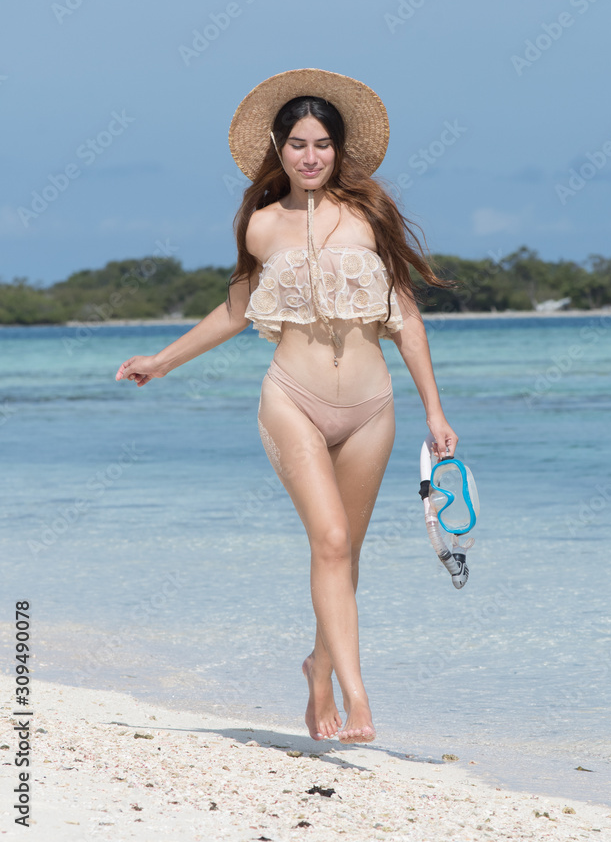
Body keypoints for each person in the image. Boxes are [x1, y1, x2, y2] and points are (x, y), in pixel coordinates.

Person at [116, 68, 458, 744]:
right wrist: (161, 360)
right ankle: (357, 697)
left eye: (322, 143)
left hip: (371, 405)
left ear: (339, 149)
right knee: (327, 541)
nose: (310, 156)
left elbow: (406, 321)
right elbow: (236, 311)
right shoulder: (260, 224)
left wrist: (434, 412)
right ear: (277, 150)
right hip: (291, 400)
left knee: (347, 553)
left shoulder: (368, 217)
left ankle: (317, 667)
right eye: (297, 144)